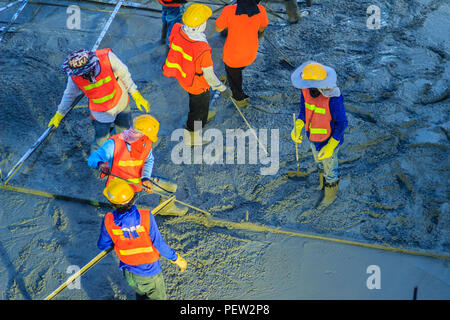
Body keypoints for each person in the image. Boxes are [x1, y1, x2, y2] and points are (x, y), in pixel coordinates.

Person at [98, 179, 187, 300]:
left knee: (140, 294)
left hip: (129, 273)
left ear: (112, 203)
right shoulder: (146, 216)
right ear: (133, 197)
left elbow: (103, 245)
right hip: (150, 273)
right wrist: (176, 258)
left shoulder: (108, 220)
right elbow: (159, 244)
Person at [48, 48, 150, 153]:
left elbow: (124, 74)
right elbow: (69, 95)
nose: (81, 76)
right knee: (101, 141)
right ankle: (99, 163)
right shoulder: (74, 77)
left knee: (124, 133)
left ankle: (120, 151)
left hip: (120, 103)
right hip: (100, 113)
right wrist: (59, 113)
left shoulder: (107, 58)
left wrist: (135, 93)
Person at [88, 114, 188, 216]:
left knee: (170, 187)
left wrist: (146, 178)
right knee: (126, 215)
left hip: (140, 182)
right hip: (121, 188)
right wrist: (100, 164)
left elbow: (148, 160)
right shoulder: (114, 144)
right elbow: (92, 159)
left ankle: (166, 209)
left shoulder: (145, 142)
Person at [162, 4, 229, 146]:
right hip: (197, 84)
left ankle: (204, 116)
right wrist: (223, 89)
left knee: (199, 106)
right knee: (197, 110)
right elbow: (210, 77)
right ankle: (192, 137)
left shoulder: (177, 28)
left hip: (184, 76)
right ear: (200, 25)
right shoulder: (202, 49)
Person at [290, 61, 348, 208]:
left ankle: (330, 194)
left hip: (329, 141)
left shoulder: (333, 98)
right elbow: (304, 110)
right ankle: (323, 183)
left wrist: (331, 145)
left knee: (330, 170)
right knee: (319, 164)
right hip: (313, 138)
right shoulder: (305, 91)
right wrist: (299, 125)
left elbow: (342, 123)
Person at [215, 0, 268, 108]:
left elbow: (218, 28)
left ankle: (239, 98)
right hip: (251, 53)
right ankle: (229, 74)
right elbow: (262, 28)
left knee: (234, 78)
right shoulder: (261, 9)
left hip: (232, 56)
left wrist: (231, 22)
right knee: (236, 69)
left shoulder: (229, 10)